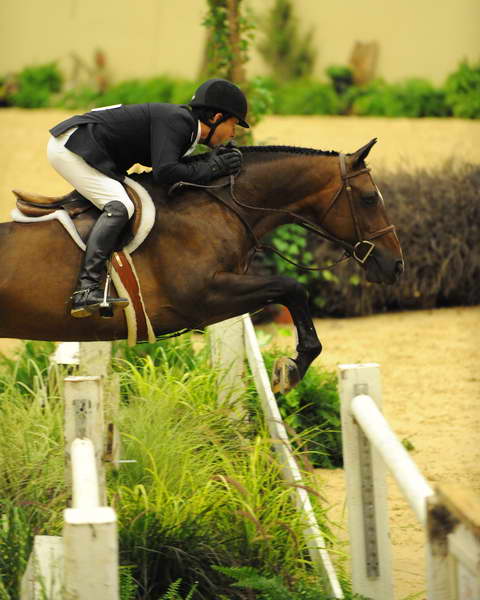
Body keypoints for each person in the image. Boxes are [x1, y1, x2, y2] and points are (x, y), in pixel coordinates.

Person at [47, 78, 249, 318]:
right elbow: (166, 173)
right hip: (72, 147)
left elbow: (174, 167)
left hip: (84, 145)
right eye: (233, 124)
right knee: (120, 206)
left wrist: (211, 162)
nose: (233, 133)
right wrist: (213, 167)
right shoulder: (180, 122)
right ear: (216, 118)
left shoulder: (185, 127)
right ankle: (86, 289)